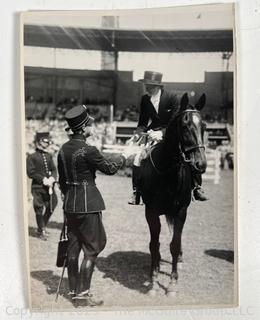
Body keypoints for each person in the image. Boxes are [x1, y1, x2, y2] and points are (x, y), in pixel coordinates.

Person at [57, 105, 136, 306]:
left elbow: (63, 181)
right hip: (88, 205)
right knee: (92, 249)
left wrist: (69, 200)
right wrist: (125, 156)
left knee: (73, 250)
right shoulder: (88, 150)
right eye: (90, 124)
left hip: (70, 205)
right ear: (83, 128)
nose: (93, 127)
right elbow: (110, 168)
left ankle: (75, 293)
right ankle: (82, 296)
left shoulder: (63, 149)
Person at [128, 71, 208, 205]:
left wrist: (162, 133)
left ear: (159, 86)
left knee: (187, 155)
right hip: (152, 132)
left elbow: (174, 120)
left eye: (150, 85)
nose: (147, 88)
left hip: (170, 133)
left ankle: (196, 187)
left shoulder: (172, 98)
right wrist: (137, 134)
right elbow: (142, 122)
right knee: (137, 158)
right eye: (146, 85)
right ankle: (136, 192)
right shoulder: (145, 99)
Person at [26, 132, 58, 240]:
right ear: (39, 142)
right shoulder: (31, 156)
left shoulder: (48, 156)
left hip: (49, 187)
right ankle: (42, 230)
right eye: (45, 141)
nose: (48, 143)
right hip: (38, 188)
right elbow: (30, 172)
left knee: (52, 206)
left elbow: (53, 169)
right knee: (39, 208)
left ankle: (41, 228)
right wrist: (42, 179)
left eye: (48, 141)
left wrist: (52, 178)